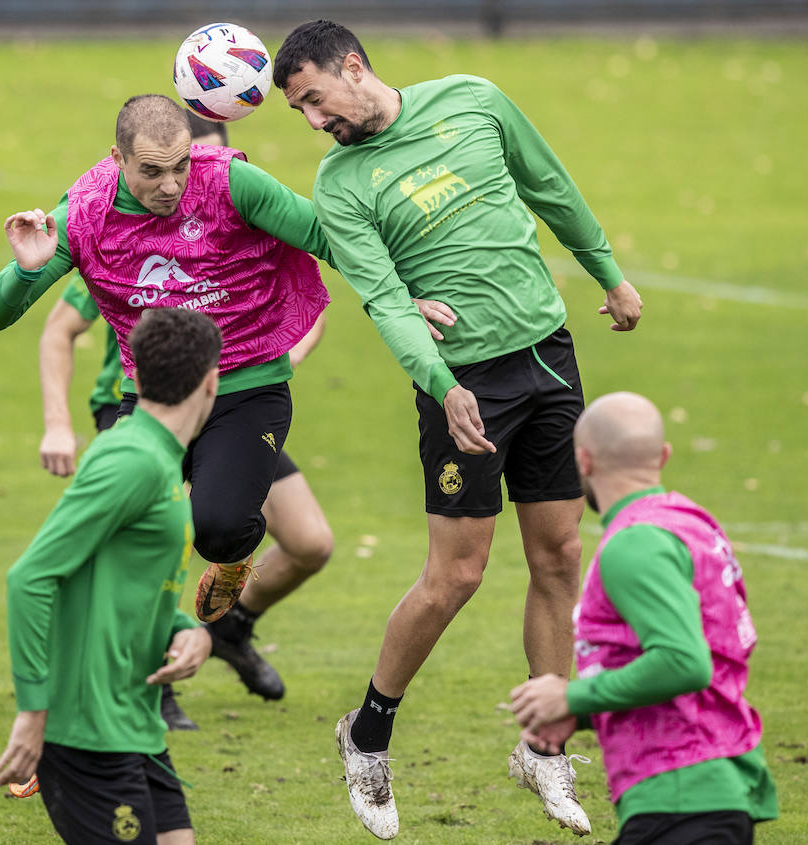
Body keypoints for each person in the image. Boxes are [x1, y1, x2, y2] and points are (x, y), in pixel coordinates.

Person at [273, 20, 643, 839]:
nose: (312, 121)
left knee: (559, 554)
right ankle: (367, 733)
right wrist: (442, 385)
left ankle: (544, 747)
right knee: (457, 577)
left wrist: (608, 274)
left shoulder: (473, 101)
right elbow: (381, 300)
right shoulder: (341, 185)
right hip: (463, 384)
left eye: (313, 99)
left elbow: (550, 186)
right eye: (299, 110)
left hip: (545, 355)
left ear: (353, 67)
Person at [0, 93, 332, 638]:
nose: (170, 185)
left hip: (246, 386)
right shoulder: (87, 214)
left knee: (218, 528)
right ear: (116, 159)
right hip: (152, 398)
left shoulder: (231, 182)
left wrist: (409, 296)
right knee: (117, 537)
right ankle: (136, 664)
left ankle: (232, 559)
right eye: (151, 171)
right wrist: (26, 272)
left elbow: (329, 235)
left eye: (181, 166)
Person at [0, 307, 223, 845]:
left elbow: (129, 581)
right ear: (213, 381)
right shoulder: (131, 460)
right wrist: (32, 713)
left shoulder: (158, 457)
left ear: (134, 375)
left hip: (133, 719)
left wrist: (188, 629)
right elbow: (30, 577)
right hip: (87, 731)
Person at [509, 392, 778, 844]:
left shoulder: (633, 544)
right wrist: (583, 715)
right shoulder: (692, 522)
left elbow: (685, 662)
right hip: (708, 787)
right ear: (664, 456)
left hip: (680, 797)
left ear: (583, 461)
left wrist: (573, 697)